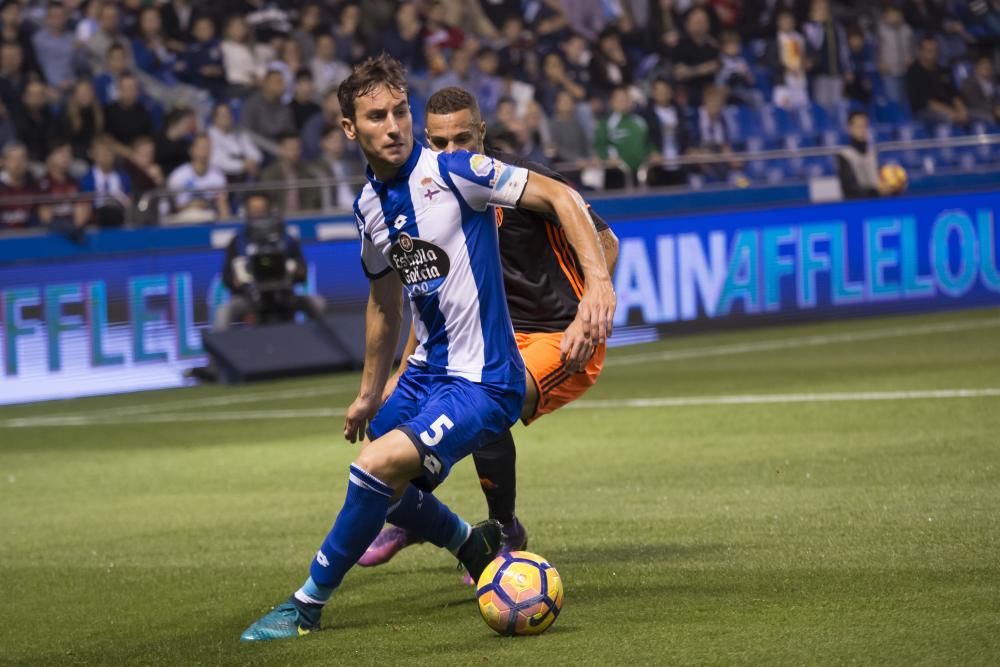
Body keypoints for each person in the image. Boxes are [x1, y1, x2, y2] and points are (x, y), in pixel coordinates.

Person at [239, 54, 615, 642]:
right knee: (382, 490)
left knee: (375, 467)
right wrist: (368, 393)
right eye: (376, 117)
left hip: (483, 380)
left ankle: (304, 605)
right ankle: (474, 544)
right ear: (349, 129)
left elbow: (563, 199)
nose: (393, 126)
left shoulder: (459, 171)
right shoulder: (368, 206)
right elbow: (385, 304)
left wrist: (598, 284)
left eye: (399, 112)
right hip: (424, 370)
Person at [358, 84, 619, 575]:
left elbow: (606, 239)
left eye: (463, 139)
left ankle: (501, 528)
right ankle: (419, 513)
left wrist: (592, 302)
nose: (452, 152)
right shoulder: (427, 194)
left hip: (557, 333)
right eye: (440, 143)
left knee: (488, 395)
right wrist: (404, 365)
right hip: (480, 337)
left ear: (482, 133)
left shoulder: (518, 179)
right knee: (389, 427)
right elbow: (432, 294)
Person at [212, 191, 326, 333]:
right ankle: (219, 353)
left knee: (317, 303)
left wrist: (296, 272)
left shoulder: (287, 239)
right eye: (254, 210)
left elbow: (302, 273)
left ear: (269, 210)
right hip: (250, 298)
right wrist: (236, 281)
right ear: (247, 212)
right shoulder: (237, 242)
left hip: (285, 296)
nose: (258, 214)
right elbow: (226, 277)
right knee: (224, 312)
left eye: (262, 210)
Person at [166, 133, 231, 222]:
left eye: (207, 147)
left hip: (209, 219)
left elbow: (223, 207)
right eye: (201, 147)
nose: (205, 150)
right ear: (192, 150)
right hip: (183, 219)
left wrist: (226, 224)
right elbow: (171, 207)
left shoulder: (218, 176)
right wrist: (192, 205)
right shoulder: (178, 175)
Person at [906, 37, 969, 127]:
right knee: (948, 119)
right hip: (924, 111)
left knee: (970, 117)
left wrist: (962, 110)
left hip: (948, 108)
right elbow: (927, 102)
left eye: (935, 51)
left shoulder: (943, 70)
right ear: (920, 52)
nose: (933, 55)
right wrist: (951, 113)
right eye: (929, 51)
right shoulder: (913, 72)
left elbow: (954, 94)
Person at [259, 132, 323, 214]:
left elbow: (313, 200)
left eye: (297, 148)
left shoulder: (308, 173)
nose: (295, 152)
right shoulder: (269, 174)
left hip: (304, 218)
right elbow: (267, 200)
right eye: (291, 148)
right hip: (278, 219)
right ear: (281, 149)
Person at [837, 111, 892, 200]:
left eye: (865, 126)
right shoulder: (844, 155)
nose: (862, 130)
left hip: (878, 202)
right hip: (858, 205)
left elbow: (881, 177)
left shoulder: (873, 152)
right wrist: (876, 191)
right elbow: (849, 188)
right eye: (858, 126)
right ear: (850, 128)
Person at [79, 135, 132, 227]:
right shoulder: (86, 179)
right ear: (93, 155)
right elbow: (85, 205)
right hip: (95, 221)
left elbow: (129, 200)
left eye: (109, 152)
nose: (106, 156)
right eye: (102, 152)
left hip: (120, 219)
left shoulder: (123, 177)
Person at [37, 140, 89, 232]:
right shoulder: (42, 184)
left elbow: (83, 209)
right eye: (60, 152)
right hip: (52, 235)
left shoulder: (76, 182)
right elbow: (46, 216)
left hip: (75, 234)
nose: (66, 156)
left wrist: (75, 230)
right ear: (49, 158)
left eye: (69, 152)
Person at [207, 102, 261, 183]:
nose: (227, 117)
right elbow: (218, 162)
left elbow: (257, 154)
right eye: (223, 115)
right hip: (223, 178)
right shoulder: (209, 135)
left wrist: (251, 162)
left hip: (245, 175)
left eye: (228, 114)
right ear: (215, 118)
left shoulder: (239, 133)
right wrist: (242, 165)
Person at [240, 68, 295, 142]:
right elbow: (246, 134)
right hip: (257, 149)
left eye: (282, 82)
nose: (282, 86)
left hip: (281, 150)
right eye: (277, 82)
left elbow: (290, 133)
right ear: (266, 83)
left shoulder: (285, 107)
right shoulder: (252, 104)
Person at [0, 140, 38, 229]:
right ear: (2, 161)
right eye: (14, 159)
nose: (19, 163)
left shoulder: (34, 185)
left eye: (22, 158)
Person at [960, 55, 1000, 125]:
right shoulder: (969, 82)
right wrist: (994, 109)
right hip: (972, 109)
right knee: (989, 117)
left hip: (991, 109)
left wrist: (997, 107)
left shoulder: (993, 81)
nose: (987, 70)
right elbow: (973, 102)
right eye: (984, 67)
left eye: (989, 68)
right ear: (976, 68)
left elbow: (996, 98)